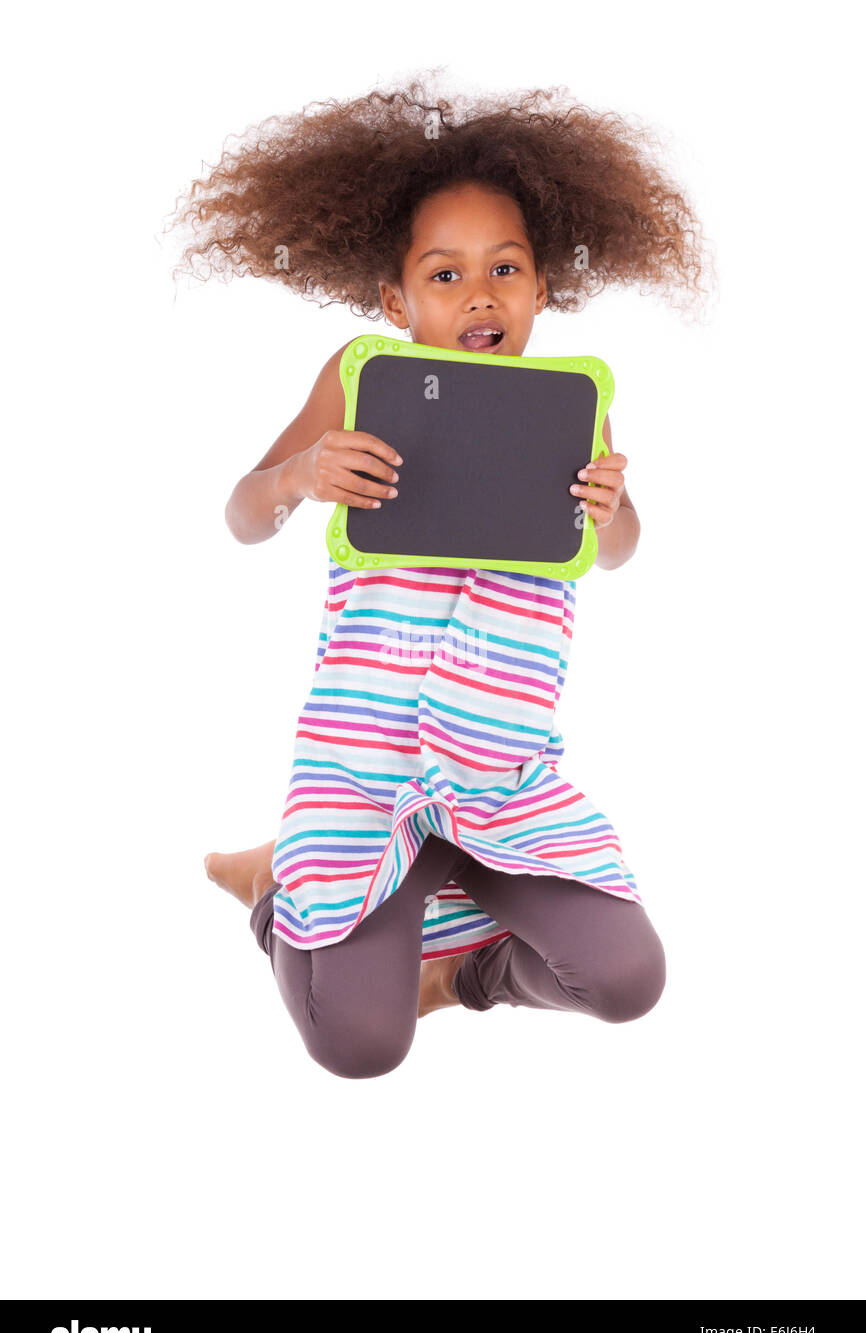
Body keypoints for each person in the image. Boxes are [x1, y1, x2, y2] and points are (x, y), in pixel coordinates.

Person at [171, 75, 711, 1080]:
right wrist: (300, 474)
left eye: (503, 269)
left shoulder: (565, 405)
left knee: (629, 980)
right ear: (395, 299)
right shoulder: (358, 375)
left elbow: (620, 546)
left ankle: (460, 971)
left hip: (499, 772)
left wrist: (611, 505)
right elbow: (245, 513)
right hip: (364, 767)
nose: (479, 295)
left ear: (540, 287)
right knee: (361, 1047)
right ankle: (274, 884)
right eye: (445, 274)